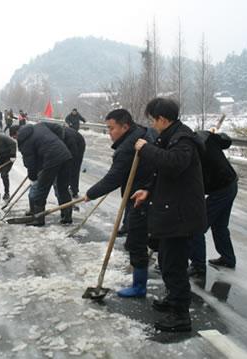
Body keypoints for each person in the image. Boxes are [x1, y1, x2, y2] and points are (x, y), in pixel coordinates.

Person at [132, 97, 206, 333]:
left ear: (163, 119)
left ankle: (180, 315)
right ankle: (173, 299)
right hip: (171, 210)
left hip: (180, 215)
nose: (152, 125)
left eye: (153, 120)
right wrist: (148, 190)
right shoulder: (170, 136)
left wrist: (146, 149)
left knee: (174, 265)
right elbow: (164, 174)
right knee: (165, 260)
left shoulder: (183, 139)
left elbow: (174, 163)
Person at [84, 109, 153, 298]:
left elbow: (114, 177)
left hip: (140, 197)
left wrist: (91, 194)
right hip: (150, 191)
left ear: (125, 126)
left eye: (111, 128)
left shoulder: (126, 148)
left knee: (135, 240)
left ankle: (139, 287)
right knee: (151, 236)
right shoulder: (142, 133)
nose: (109, 133)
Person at [188, 129, 238, 277]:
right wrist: (217, 137)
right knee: (220, 225)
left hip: (221, 188)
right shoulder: (205, 136)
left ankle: (198, 266)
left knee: (197, 226)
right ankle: (228, 258)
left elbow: (225, 141)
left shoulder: (190, 148)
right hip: (230, 183)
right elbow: (226, 141)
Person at [10, 124, 72, 226]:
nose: (15, 139)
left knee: (41, 190)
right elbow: (58, 128)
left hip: (51, 160)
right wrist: (57, 143)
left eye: (14, 137)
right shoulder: (40, 125)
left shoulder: (24, 141)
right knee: (63, 189)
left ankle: (39, 220)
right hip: (65, 155)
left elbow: (30, 164)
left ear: (17, 133)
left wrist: (33, 177)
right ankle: (67, 217)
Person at [42, 122, 86, 199]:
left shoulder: (70, 139)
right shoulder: (53, 136)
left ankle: (74, 190)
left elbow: (73, 156)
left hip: (79, 145)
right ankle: (63, 187)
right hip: (66, 143)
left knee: (74, 168)